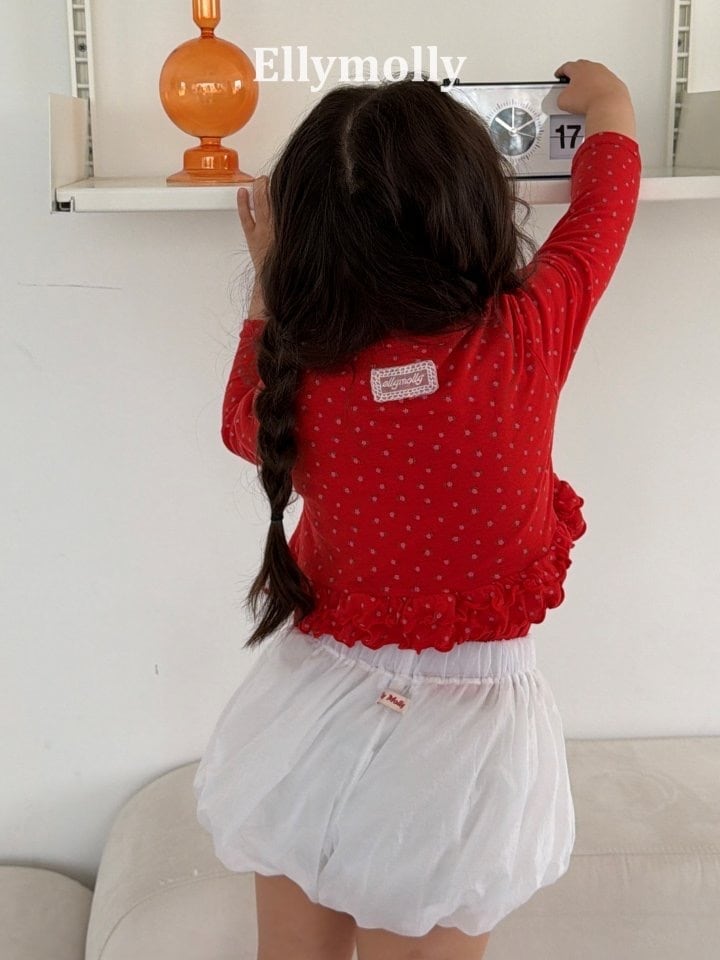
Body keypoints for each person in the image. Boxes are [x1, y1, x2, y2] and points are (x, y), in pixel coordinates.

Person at [193, 59, 641, 960]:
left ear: (307, 240)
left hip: (310, 718)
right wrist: (609, 104)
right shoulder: (524, 335)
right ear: (475, 211)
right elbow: (604, 214)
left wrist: (269, 288)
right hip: (459, 756)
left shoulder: (303, 384)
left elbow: (243, 424)